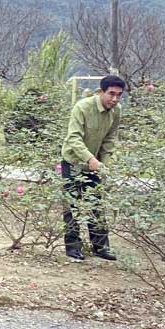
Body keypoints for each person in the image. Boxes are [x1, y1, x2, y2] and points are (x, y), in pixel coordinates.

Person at [60, 74, 124, 261]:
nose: (114, 99)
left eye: (119, 95)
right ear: (101, 92)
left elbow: (111, 139)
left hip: (95, 164)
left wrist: (104, 165)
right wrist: (89, 159)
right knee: (72, 205)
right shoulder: (82, 107)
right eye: (111, 94)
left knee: (96, 204)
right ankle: (73, 248)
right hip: (73, 161)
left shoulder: (117, 111)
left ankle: (101, 247)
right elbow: (73, 138)